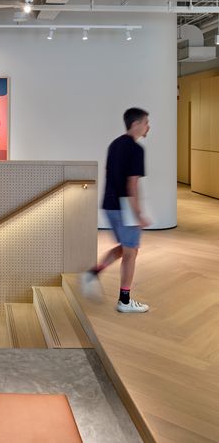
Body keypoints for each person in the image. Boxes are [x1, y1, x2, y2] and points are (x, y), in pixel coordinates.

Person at [82, 108, 151, 313]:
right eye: (146, 122)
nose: (149, 126)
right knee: (131, 253)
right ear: (136, 124)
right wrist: (138, 214)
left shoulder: (115, 144)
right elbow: (132, 184)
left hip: (109, 203)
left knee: (127, 248)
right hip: (125, 206)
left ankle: (94, 273)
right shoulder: (136, 150)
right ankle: (125, 301)